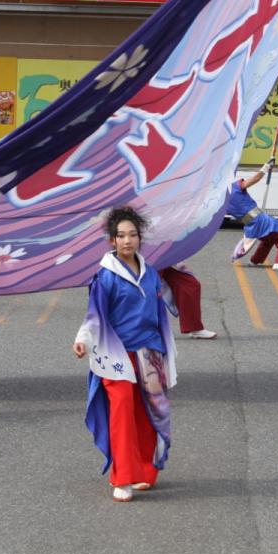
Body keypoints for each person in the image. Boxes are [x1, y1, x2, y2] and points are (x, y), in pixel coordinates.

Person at [73, 206, 176, 502]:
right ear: (112, 241)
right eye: (121, 236)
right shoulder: (105, 277)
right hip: (116, 356)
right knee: (121, 414)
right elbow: (93, 315)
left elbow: (161, 309)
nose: (127, 241)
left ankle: (144, 469)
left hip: (149, 353)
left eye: (132, 235)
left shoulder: (150, 272)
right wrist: (82, 339)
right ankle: (123, 476)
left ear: (140, 239)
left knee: (149, 413)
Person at [227, 159, 278, 270]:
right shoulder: (235, 187)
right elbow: (256, 178)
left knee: (269, 238)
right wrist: (266, 167)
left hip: (249, 223)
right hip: (258, 218)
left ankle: (255, 260)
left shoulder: (221, 200)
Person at [159, 264, 217, 339]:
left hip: (159, 259)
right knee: (149, 289)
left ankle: (194, 327)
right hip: (144, 260)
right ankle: (146, 330)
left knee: (189, 284)